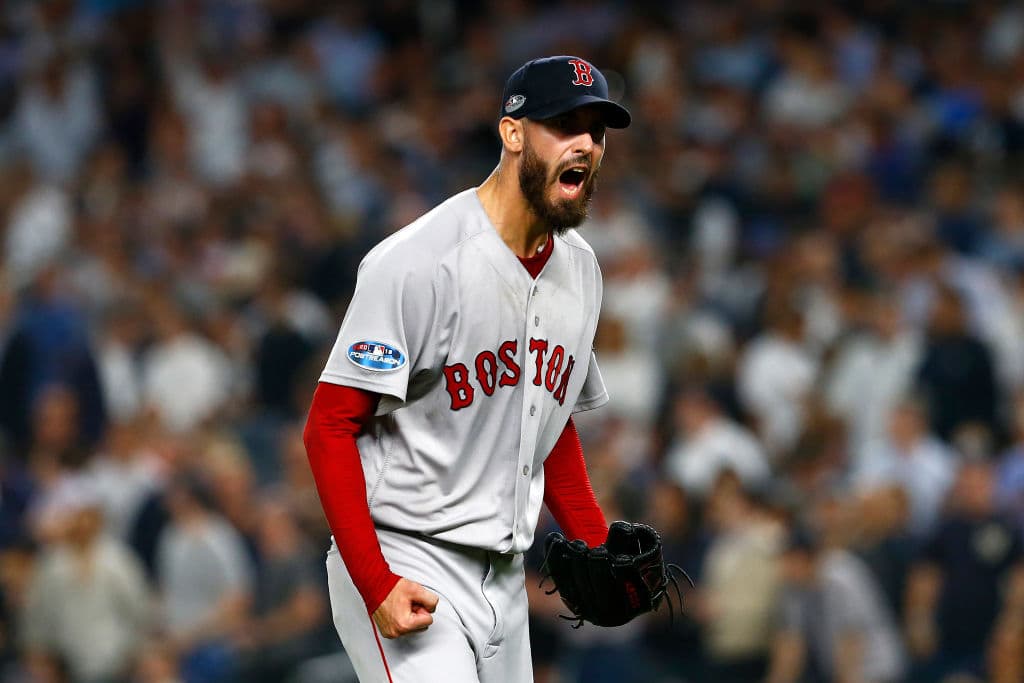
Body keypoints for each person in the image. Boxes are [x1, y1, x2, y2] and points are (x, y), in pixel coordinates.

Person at [303, 55, 630, 682]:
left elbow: (547, 419)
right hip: (406, 556)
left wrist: (595, 543)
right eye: (565, 126)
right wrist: (375, 581)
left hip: (505, 578)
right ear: (513, 133)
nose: (586, 145)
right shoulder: (418, 262)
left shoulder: (582, 269)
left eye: (597, 132)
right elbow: (329, 427)